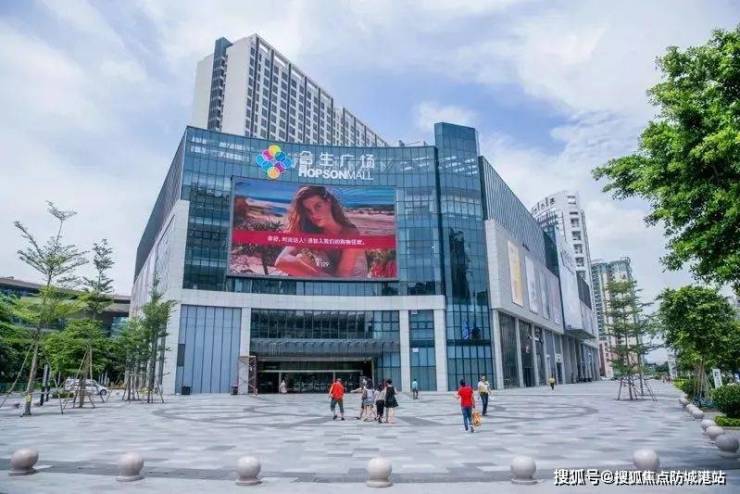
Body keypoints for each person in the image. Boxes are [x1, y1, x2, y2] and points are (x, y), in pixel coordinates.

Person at [275, 186, 368, 278]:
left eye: (318, 206)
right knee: (302, 258)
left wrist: (311, 272)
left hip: (351, 285)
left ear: (328, 202)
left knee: (302, 259)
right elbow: (281, 261)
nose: (314, 214)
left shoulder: (350, 233)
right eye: (308, 210)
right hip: (326, 281)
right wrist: (315, 273)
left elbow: (342, 279)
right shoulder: (310, 231)